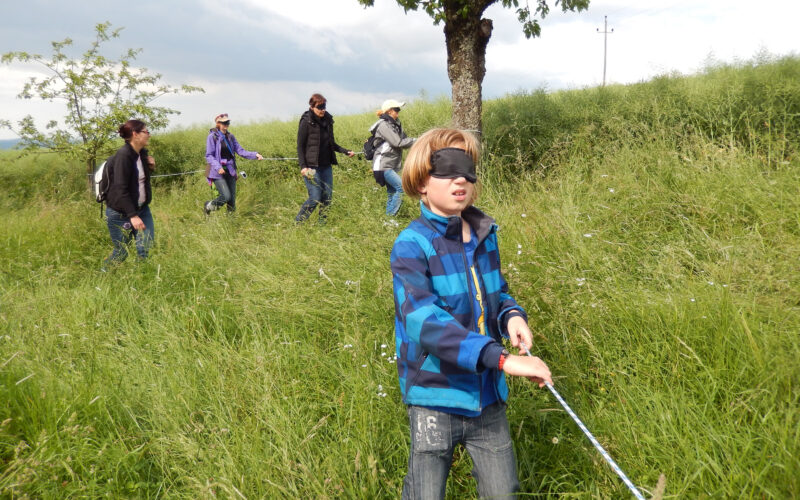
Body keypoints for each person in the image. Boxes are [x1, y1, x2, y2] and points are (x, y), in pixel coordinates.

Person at [390, 128, 554, 499]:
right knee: (425, 492)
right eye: (447, 170)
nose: (460, 179)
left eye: (467, 169)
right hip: (435, 396)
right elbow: (423, 321)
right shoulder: (411, 245)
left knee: (503, 491)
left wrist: (511, 316)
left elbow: (496, 293)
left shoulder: (484, 235)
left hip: (487, 397)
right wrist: (503, 360)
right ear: (421, 182)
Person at [103, 119, 156, 267]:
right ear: (135, 134)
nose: (149, 135)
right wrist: (133, 216)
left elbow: (137, 180)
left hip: (142, 209)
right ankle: (103, 274)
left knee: (145, 248)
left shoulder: (141, 153)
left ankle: (143, 277)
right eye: (146, 132)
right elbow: (121, 188)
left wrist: (150, 167)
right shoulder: (124, 156)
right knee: (121, 252)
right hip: (121, 213)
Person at [295, 94, 355, 223]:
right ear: (312, 106)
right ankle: (298, 223)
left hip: (326, 166)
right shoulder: (306, 121)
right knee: (315, 197)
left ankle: (322, 225)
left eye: (324, 107)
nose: (322, 110)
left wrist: (345, 151)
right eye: (320, 107)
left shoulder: (328, 120)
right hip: (311, 167)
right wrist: (303, 166)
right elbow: (300, 146)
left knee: (327, 197)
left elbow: (331, 143)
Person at [204, 113, 263, 214]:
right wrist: (218, 167)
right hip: (217, 172)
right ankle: (208, 206)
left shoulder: (231, 137)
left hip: (230, 170)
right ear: (218, 124)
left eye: (228, 122)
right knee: (225, 196)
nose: (226, 124)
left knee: (231, 201)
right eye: (224, 123)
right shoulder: (212, 137)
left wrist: (255, 155)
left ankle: (231, 221)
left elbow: (240, 151)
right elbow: (209, 155)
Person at [371, 99, 415, 217]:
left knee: (392, 192)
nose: (398, 112)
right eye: (396, 109)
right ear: (389, 111)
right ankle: (391, 217)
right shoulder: (384, 125)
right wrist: (417, 141)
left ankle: (388, 220)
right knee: (402, 188)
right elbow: (398, 142)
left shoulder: (395, 125)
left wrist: (417, 142)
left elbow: (405, 140)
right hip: (383, 165)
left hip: (390, 164)